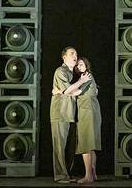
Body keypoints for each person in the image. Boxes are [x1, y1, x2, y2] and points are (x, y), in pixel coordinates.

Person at [53, 56, 100, 184]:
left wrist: (58, 91)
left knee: (85, 144)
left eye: (81, 64)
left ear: (86, 65)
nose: (79, 66)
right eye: (77, 65)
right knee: (91, 145)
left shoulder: (86, 77)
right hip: (90, 111)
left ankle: (88, 176)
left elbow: (76, 92)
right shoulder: (84, 77)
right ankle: (93, 174)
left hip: (87, 112)